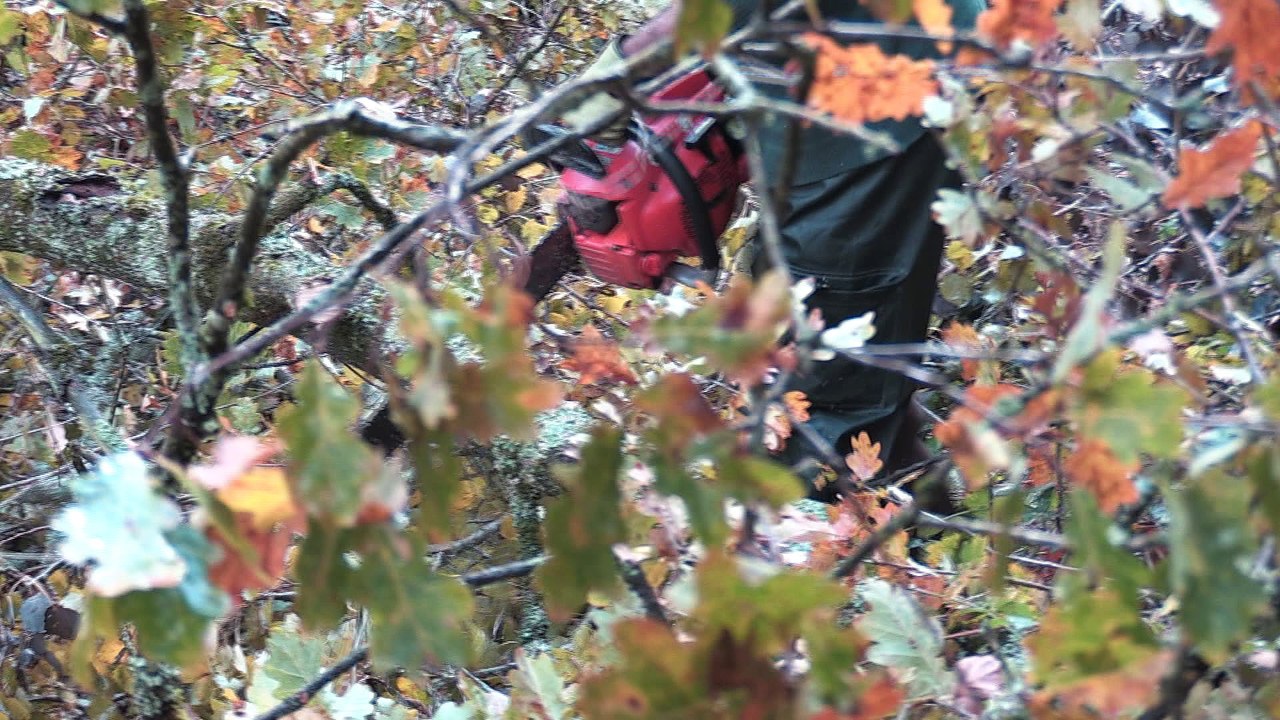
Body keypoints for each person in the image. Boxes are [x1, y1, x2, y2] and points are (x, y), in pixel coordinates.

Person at [564, 1, 985, 505]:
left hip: (877, 100)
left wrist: (623, 69)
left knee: (825, 396)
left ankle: (860, 538)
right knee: (814, 335)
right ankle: (921, 513)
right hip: (832, 89)